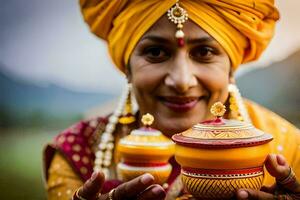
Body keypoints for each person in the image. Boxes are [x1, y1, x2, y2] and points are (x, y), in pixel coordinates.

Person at [43, 0, 300, 199]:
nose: (181, 80)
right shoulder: (80, 151)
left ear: (231, 67)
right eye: (155, 52)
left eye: (204, 52)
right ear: (127, 67)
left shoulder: (286, 145)